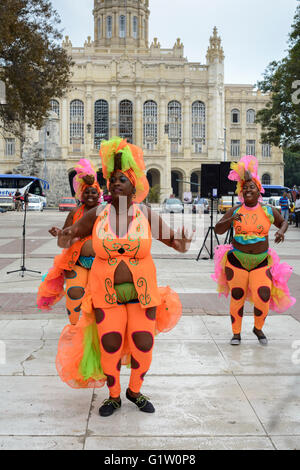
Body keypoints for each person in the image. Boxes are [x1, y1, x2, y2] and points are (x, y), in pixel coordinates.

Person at [55, 137, 193, 417]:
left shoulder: (145, 213)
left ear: (134, 186)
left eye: (122, 179)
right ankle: (114, 395)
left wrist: (183, 242)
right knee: (111, 343)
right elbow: (68, 240)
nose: (115, 183)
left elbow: (174, 244)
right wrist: (63, 237)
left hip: (143, 293)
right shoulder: (96, 213)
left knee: (143, 342)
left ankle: (135, 390)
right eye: (112, 179)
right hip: (107, 293)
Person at [213, 155, 295, 346]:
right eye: (245, 187)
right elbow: (218, 229)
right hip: (237, 261)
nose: (248, 190)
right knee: (237, 296)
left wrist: (281, 232)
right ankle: (236, 333)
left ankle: (258, 328)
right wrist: (230, 220)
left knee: (264, 295)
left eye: (252, 187)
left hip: (261, 261)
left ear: (259, 191)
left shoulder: (267, 210)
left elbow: (283, 222)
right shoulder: (235, 210)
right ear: (241, 192)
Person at [37, 159, 101, 325]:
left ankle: (95, 328)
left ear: (99, 194)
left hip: (101, 263)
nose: (90, 195)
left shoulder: (105, 212)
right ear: (81, 194)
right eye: (87, 192)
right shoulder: (74, 212)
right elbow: (64, 240)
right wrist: (60, 234)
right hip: (77, 262)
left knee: (99, 296)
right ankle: (74, 326)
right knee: (74, 292)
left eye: (94, 192)